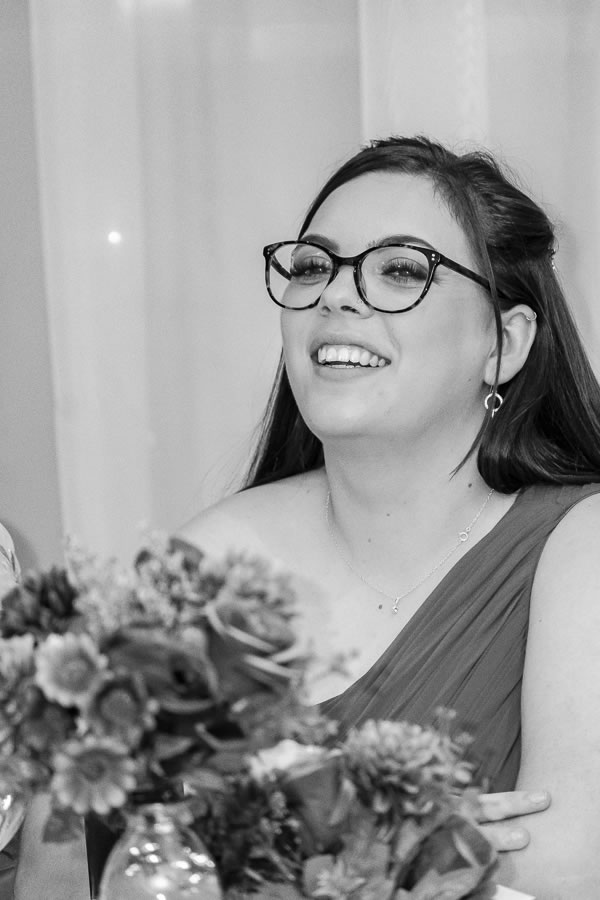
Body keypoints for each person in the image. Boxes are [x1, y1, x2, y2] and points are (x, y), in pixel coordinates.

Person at [179, 136, 600, 898]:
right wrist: (407, 847)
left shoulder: (581, 548)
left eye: (401, 270)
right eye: (313, 266)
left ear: (504, 344)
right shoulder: (209, 559)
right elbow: (92, 863)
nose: (335, 297)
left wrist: (270, 843)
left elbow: (568, 873)